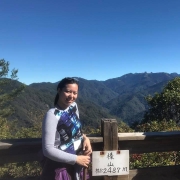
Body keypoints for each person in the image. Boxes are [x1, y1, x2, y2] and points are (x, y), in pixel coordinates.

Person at [41, 77, 92, 180]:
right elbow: (47, 149)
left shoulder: (73, 106)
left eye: (75, 93)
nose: (71, 96)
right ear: (59, 90)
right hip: (61, 168)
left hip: (77, 164)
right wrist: (76, 159)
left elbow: (76, 131)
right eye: (68, 91)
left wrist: (85, 139)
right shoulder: (52, 115)